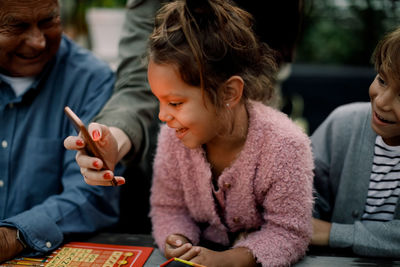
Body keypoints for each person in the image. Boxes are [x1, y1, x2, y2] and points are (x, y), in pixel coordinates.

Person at [146, 0, 314, 266]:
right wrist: (176, 239)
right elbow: (169, 208)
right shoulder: (173, 136)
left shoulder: (285, 145)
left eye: (175, 103)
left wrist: (231, 260)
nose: (163, 116)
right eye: (159, 101)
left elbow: (289, 232)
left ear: (229, 93)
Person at [0, 0, 121, 262]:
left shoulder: (91, 80)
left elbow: (91, 193)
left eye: (49, 22)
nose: (38, 42)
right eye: (16, 26)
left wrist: (13, 236)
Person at [311, 26, 400, 257]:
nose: (382, 102)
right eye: (382, 80)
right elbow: (301, 196)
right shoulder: (342, 125)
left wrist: (332, 233)